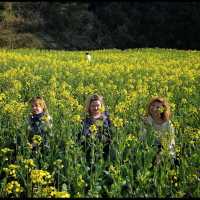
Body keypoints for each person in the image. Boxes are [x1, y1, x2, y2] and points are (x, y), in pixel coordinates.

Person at [140, 97, 178, 166]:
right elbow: (142, 139)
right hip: (150, 148)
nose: (154, 108)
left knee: (168, 161)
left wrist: (161, 154)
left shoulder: (168, 124)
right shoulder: (146, 121)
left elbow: (171, 142)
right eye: (153, 105)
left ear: (163, 110)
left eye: (158, 107)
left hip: (165, 149)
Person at [79, 94, 112, 163]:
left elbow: (109, 133)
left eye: (97, 105)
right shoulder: (85, 120)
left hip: (104, 151)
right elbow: (83, 134)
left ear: (101, 106)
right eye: (93, 106)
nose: (96, 108)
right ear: (89, 107)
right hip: (89, 152)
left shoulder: (106, 118)